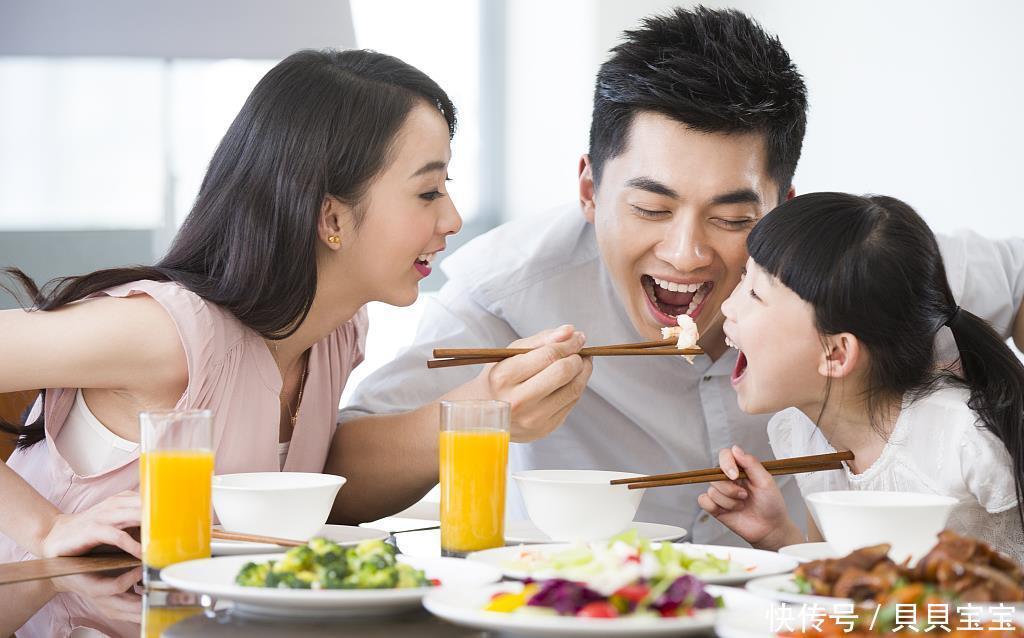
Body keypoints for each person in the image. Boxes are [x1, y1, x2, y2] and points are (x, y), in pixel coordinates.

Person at [336, 7, 1024, 544]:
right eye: (650, 207)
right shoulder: (507, 289)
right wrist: (481, 411)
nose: (686, 253)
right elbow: (340, 478)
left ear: (783, 206)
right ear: (589, 190)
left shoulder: (862, 269)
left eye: (731, 217)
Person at [0, 48, 590, 561]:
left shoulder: (336, 334)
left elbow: (333, 491)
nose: (452, 220)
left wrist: (488, 405)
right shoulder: (166, 334)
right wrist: (46, 527)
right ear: (331, 217)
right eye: (427, 192)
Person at [699, 192, 1024, 562]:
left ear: (836, 354)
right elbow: (844, 583)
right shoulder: (797, 434)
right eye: (745, 277)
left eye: (755, 293)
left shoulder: (966, 440)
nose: (728, 307)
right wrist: (777, 536)